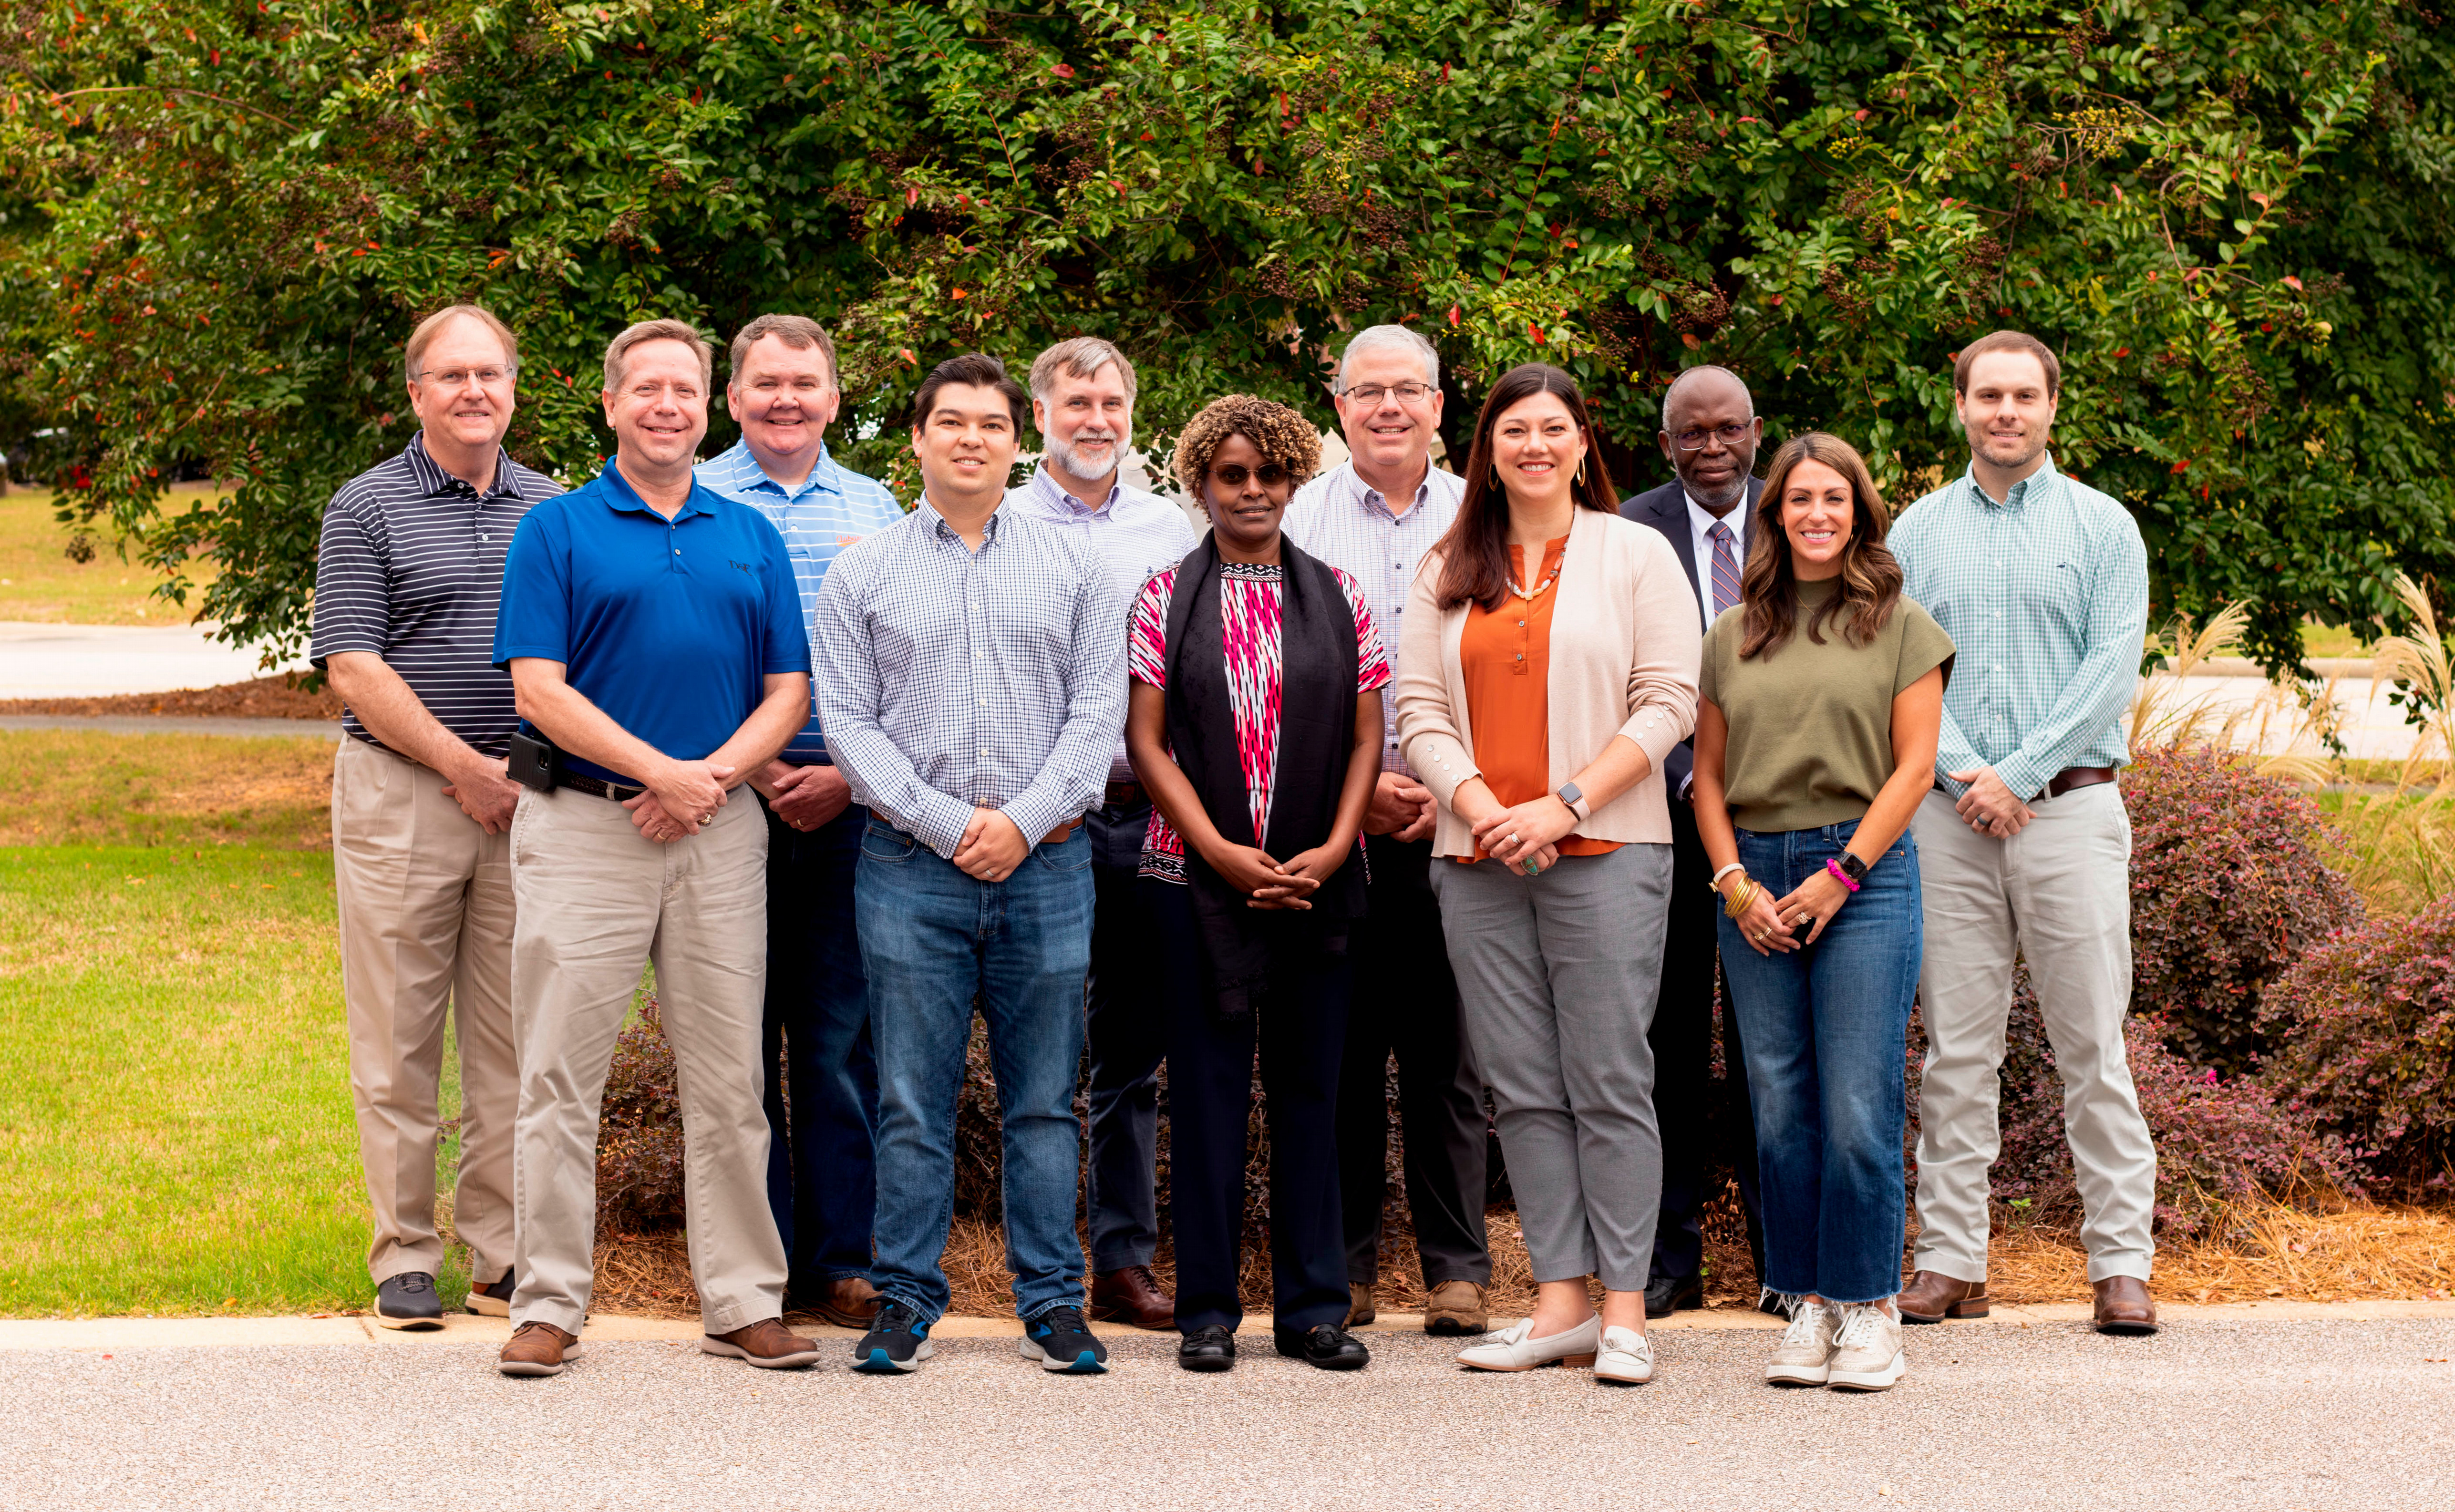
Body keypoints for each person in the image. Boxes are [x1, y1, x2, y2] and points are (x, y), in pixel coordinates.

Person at [489, 319, 818, 1378]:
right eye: (647, 389)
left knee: (730, 1079)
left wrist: (708, 778)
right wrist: (657, 771)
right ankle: (547, 1300)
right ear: (612, 405)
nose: (667, 405)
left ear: (708, 402)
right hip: (586, 828)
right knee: (557, 1075)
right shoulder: (559, 528)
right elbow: (537, 688)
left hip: (721, 833)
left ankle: (742, 1299)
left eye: (685, 387)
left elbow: (789, 692)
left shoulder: (747, 531)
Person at [815, 353, 1126, 1376]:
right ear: (916, 439)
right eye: (950, 422)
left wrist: (1025, 821)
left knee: (1045, 1098)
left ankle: (1053, 1302)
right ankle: (905, 1297)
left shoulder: (1076, 568)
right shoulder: (863, 570)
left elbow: (1098, 717)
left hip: (1049, 869)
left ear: (1016, 439)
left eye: (991, 424)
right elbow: (848, 723)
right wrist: (952, 823)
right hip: (910, 868)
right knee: (911, 1095)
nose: (971, 439)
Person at [1395, 362, 1699, 1387]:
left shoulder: (1635, 553)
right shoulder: (1447, 562)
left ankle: (1625, 1310)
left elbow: (1668, 701)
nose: (1533, 443)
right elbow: (1420, 712)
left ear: (1581, 443)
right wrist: (1483, 809)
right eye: (1513, 428)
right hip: (1476, 857)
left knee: (1610, 1076)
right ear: (1486, 447)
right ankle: (1560, 1298)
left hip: (1608, 847)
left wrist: (1562, 803)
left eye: (1552, 427)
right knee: (1522, 1087)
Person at [1889, 330, 2160, 1335]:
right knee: (1957, 1049)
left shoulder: (2105, 528)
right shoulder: (1914, 532)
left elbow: (2110, 669)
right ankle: (1952, 1259)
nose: (2006, 411)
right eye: (1987, 395)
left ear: (2053, 406)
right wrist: (1971, 773)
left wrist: (2023, 773)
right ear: (1959, 405)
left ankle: (2122, 1262)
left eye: (2023, 395)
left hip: (2074, 811)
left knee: (2093, 1043)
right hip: (1949, 818)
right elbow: (1905, 669)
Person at [1125, 395, 1388, 1375]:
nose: (1251, 491)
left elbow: (1367, 735)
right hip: (1193, 878)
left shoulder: (1344, 597)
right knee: (1204, 1091)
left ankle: (1315, 1307)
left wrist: (1331, 843)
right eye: (1231, 475)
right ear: (1201, 484)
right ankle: (1206, 1309)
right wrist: (1221, 852)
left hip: (1321, 876)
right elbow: (1147, 741)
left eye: (1269, 475)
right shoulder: (1162, 596)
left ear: (1291, 483)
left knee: (1314, 1090)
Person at [1692, 433, 1953, 1393]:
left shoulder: (1900, 624)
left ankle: (1869, 1307)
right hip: (1753, 877)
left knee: (1856, 1104)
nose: (1816, 514)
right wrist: (1735, 885)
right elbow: (1708, 779)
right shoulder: (1732, 632)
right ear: (1776, 515)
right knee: (1782, 1109)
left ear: (1859, 512)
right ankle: (1803, 1299)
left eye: (1834, 499)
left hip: (1865, 874)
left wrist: (1839, 877)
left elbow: (1914, 769)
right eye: (1799, 498)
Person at [312, 304, 555, 1330]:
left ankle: (501, 1252)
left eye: (489, 374)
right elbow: (353, 666)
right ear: (416, 393)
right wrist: (465, 767)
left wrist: (518, 776)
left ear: (512, 388)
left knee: (514, 1037)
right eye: (451, 375)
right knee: (400, 1038)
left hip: (532, 800)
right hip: (404, 795)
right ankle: (406, 1253)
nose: (472, 392)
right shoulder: (364, 509)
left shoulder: (554, 510)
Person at [694, 314, 904, 1332]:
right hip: (723, 801)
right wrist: (764, 764)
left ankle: (842, 1256)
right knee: (734, 1038)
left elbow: (906, 663)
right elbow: (687, 659)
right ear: (731, 398)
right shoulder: (693, 501)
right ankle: (756, 1257)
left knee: (837, 1038)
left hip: (849, 809)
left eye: (804, 383)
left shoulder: (878, 506)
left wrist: (847, 778)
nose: (785, 398)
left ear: (833, 395)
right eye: (765, 383)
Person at [1285, 324, 1495, 1338]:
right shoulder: (1298, 521)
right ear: (1339, 407)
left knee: (1451, 1057)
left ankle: (1458, 1269)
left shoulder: (1484, 516)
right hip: (1338, 828)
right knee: (1343, 1053)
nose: (1388, 409)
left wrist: (1456, 792)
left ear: (1440, 406)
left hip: (1466, 823)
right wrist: (1358, 792)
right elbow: (1276, 677)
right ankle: (1349, 1266)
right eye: (1367, 392)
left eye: (1407, 390)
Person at [1003, 336, 1197, 1331]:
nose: (1096, 418)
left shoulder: (1171, 530)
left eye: (1112, 401)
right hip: (1034, 827)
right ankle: (1033, 1258)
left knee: (1129, 1053)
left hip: (1144, 819)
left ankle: (1121, 1260)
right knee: (1036, 1054)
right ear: (1040, 413)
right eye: (1076, 400)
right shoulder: (993, 517)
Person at [1618, 365, 1772, 1316]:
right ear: (1667, 442)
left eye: (1729, 430)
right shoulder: (1629, 530)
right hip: (1659, 817)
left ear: (1756, 431)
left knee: (1768, 1048)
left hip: (1778, 823)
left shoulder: (1800, 512)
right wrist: (1681, 773)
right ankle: (1671, 1257)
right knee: (1665, 1043)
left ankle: (1781, 1257)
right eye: (1692, 434)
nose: (1712, 448)